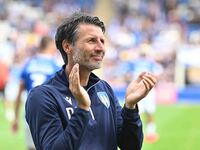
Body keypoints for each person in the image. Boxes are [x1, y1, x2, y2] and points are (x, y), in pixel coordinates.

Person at [25, 12, 157, 150]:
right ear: (67, 47)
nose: (101, 48)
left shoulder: (104, 89)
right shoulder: (43, 96)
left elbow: (130, 146)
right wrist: (82, 109)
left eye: (102, 41)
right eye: (91, 41)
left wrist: (130, 107)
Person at [12, 35, 60, 150]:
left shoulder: (29, 64)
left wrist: (16, 117)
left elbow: (20, 92)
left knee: (31, 147)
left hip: (31, 110)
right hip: (49, 112)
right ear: (50, 46)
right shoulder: (55, 66)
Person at [127, 44, 163, 144]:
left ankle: (150, 133)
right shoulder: (134, 63)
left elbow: (157, 73)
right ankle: (140, 132)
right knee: (140, 112)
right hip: (139, 90)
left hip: (148, 90)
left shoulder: (150, 63)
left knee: (148, 111)